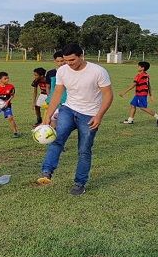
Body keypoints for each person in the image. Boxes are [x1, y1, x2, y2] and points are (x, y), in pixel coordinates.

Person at [37, 43, 113, 196]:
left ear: (81, 56)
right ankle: (47, 172)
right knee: (57, 139)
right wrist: (48, 115)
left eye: (72, 60)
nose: (68, 64)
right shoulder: (63, 71)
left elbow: (108, 95)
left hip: (90, 115)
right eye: (66, 60)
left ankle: (80, 183)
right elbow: (58, 93)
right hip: (69, 109)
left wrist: (99, 116)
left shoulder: (98, 71)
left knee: (84, 150)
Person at [119, 61, 158, 127]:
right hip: (139, 94)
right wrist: (151, 95)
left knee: (143, 107)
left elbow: (133, 85)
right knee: (133, 105)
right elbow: (149, 85)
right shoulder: (146, 75)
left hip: (141, 94)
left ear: (142, 68)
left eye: (138, 66)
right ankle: (130, 120)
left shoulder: (139, 76)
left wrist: (124, 92)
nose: (137, 67)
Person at [45, 51, 67, 127]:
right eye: (58, 61)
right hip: (54, 101)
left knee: (63, 122)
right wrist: (49, 98)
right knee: (53, 121)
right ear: (54, 61)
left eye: (62, 61)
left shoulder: (70, 72)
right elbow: (48, 87)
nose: (60, 63)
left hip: (66, 101)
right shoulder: (51, 73)